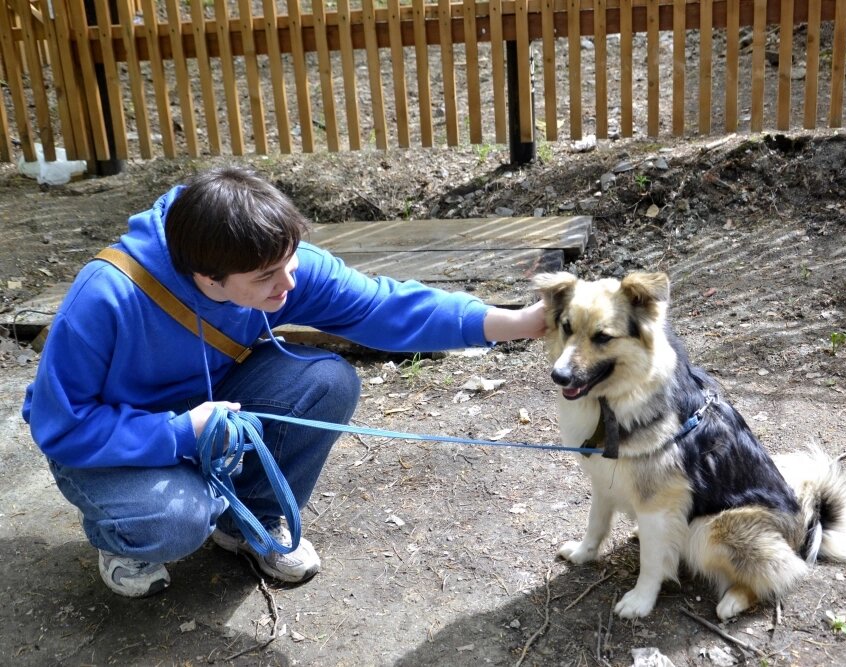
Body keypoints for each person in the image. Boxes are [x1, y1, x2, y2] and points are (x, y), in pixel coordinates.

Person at [22, 165, 546, 598]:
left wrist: (516, 322)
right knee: (175, 518)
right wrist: (179, 433)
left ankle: (247, 523)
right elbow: (61, 426)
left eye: (291, 263)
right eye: (268, 279)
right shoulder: (106, 296)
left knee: (326, 379)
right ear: (209, 279)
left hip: (210, 411)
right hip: (109, 441)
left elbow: (385, 305)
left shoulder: (267, 257)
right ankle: (124, 536)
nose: (289, 284)